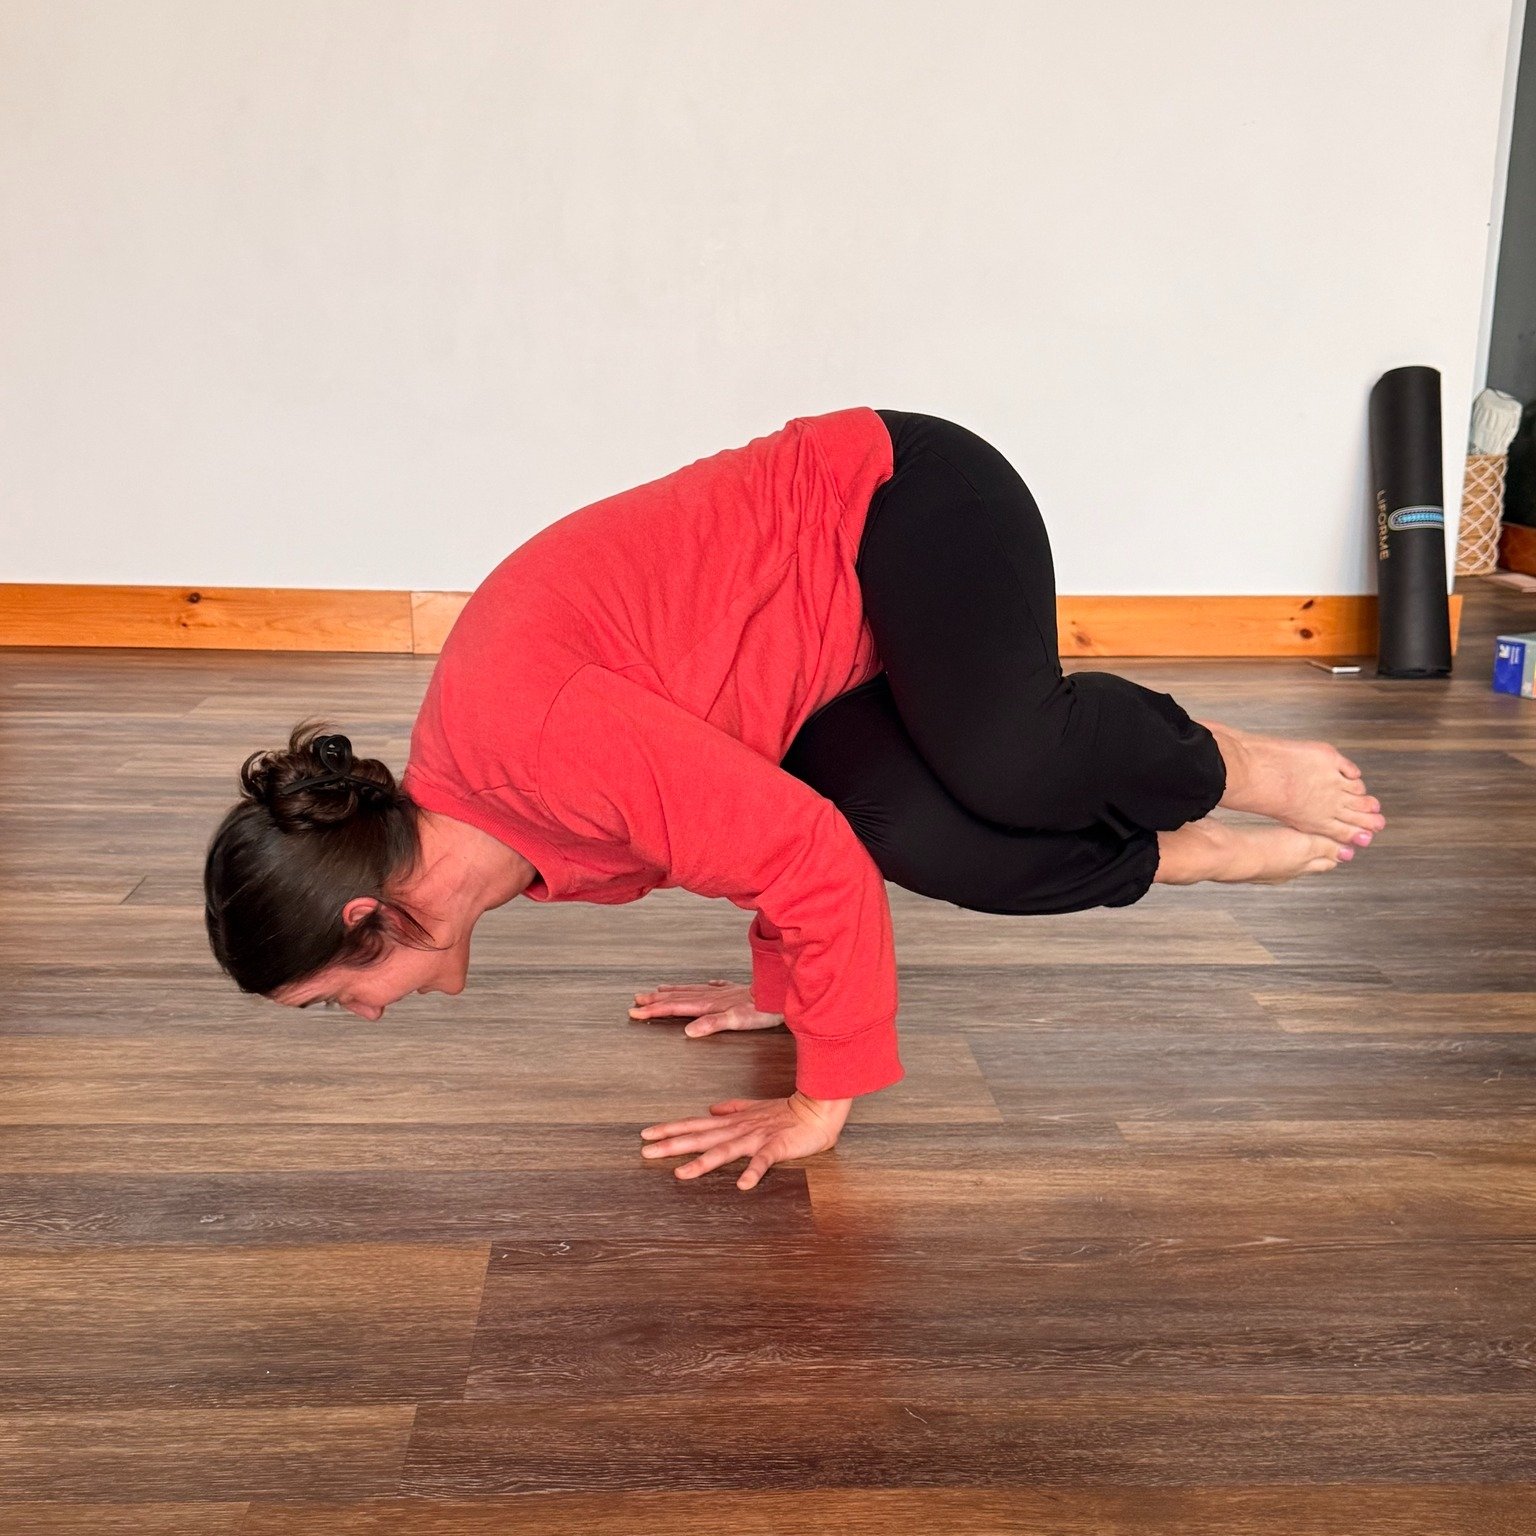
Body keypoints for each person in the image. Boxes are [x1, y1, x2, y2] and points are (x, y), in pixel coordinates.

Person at [204, 408, 1385, 1193]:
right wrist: (782, 992)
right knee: (930, 841)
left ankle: (1228, 762)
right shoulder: (502, 835)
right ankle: (1198, 857)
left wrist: (822, 1102)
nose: (360, 1017)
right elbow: (752, 832)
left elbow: (800, 857)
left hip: (891, 503)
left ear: (371, 918)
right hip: (814, 675)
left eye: (335, 999)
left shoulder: (534, 743)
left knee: (1011, 761)